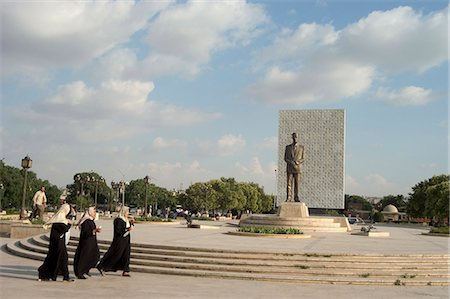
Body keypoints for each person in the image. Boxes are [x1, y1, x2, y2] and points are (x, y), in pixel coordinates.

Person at [38, 203, 75, 282]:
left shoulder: (61, 217)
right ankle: (43, 273)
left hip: (58, 242)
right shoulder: (60, 218)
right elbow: (64, 229)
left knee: (60, 259)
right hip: (58, 243)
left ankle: (65, 276)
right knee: (57, 258)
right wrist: (69, 223)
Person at [96, 206, 133, 277]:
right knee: (116, 254)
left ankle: (125, 270)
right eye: (127, 211)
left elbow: (127, 228)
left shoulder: (125, 219)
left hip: (126, 239)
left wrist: (130, 224)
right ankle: (102, 266)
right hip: (119, 240)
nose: (128, 213)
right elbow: (118, 231)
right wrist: (127, 229)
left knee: (126, 254)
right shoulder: (118, 220)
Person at [73, 206, 101, 279]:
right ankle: (80, 272)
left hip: (91, 242)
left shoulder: (90, 220)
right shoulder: (86, 221)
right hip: (86, 243)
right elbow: (85, 232)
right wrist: (94, 231)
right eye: (94, 212)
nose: (95, 214)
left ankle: (86, 269)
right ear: (90, 213)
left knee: (95, 256)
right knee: (84, 257)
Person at [284, 132, 305, 202]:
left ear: (298, 138)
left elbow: (303, 158)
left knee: (297, 184)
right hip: (290, 168)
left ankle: (296, 197)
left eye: (296, 137)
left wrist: (297, 162)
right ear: (292, 138)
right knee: (289, 184)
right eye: (294, 137)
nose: (295, 138)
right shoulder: (288, 147)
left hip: (298, 168)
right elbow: (285, 158)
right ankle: (288, 197)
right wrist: (291, 162)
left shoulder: (302, 147)